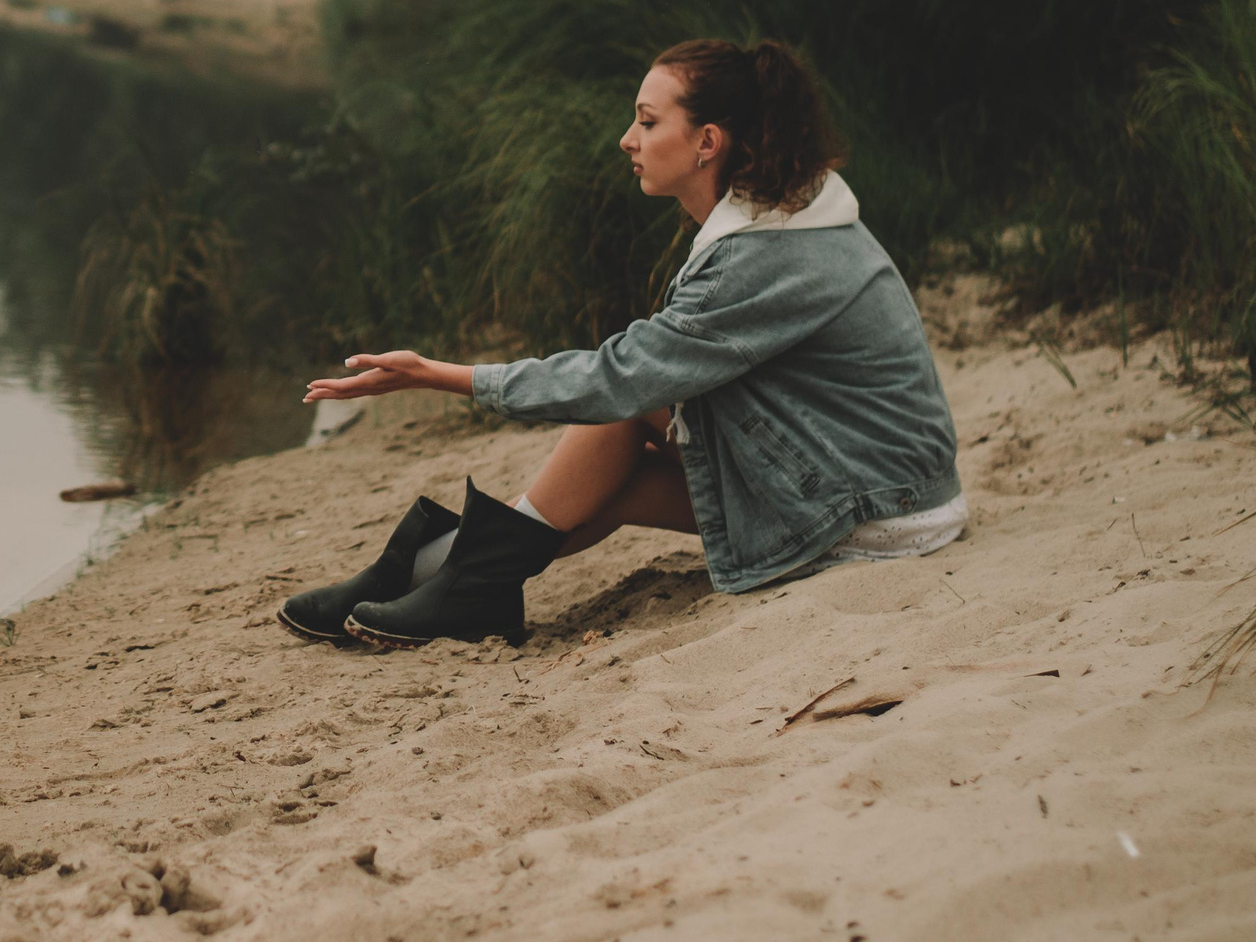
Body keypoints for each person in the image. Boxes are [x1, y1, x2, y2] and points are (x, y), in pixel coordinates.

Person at [280, 39, 964, 649]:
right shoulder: (782, 214)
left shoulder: (761, 255)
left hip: (883, 509)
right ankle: (448, 574)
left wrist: (440, 374)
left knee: (625, 402)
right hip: (887, 480)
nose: (626, 139)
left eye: (647, 120)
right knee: (625, 473)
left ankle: (447, 571)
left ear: (708, 142)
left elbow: (619, 379)